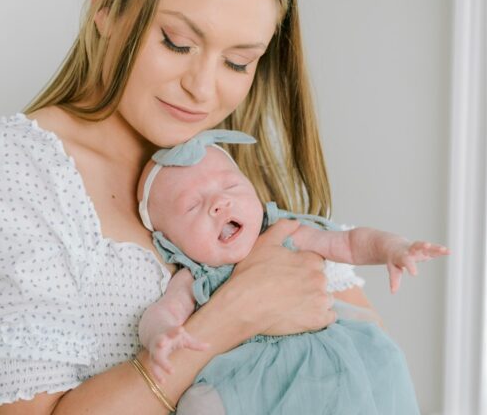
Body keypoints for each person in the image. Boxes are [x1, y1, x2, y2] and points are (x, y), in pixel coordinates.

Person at [0, 0, 386, 414]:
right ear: (108, 6)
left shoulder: (239, 169)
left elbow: (369, 363)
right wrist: (234, 315)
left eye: (238, 62)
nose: (204, 89)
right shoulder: (15, 172)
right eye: (177, 43)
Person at [136, 129, 449, 414]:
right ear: (168, 242)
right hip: (251, 381)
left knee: (384, 360)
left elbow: (350, 243)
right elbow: (160, 314)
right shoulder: (193, 277)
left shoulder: (286, 233)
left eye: (231, 186)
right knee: (200, 405)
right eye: (192, 205)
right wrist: (161, 336)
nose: (220, 202)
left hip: (329, 355)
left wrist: (393, 248)